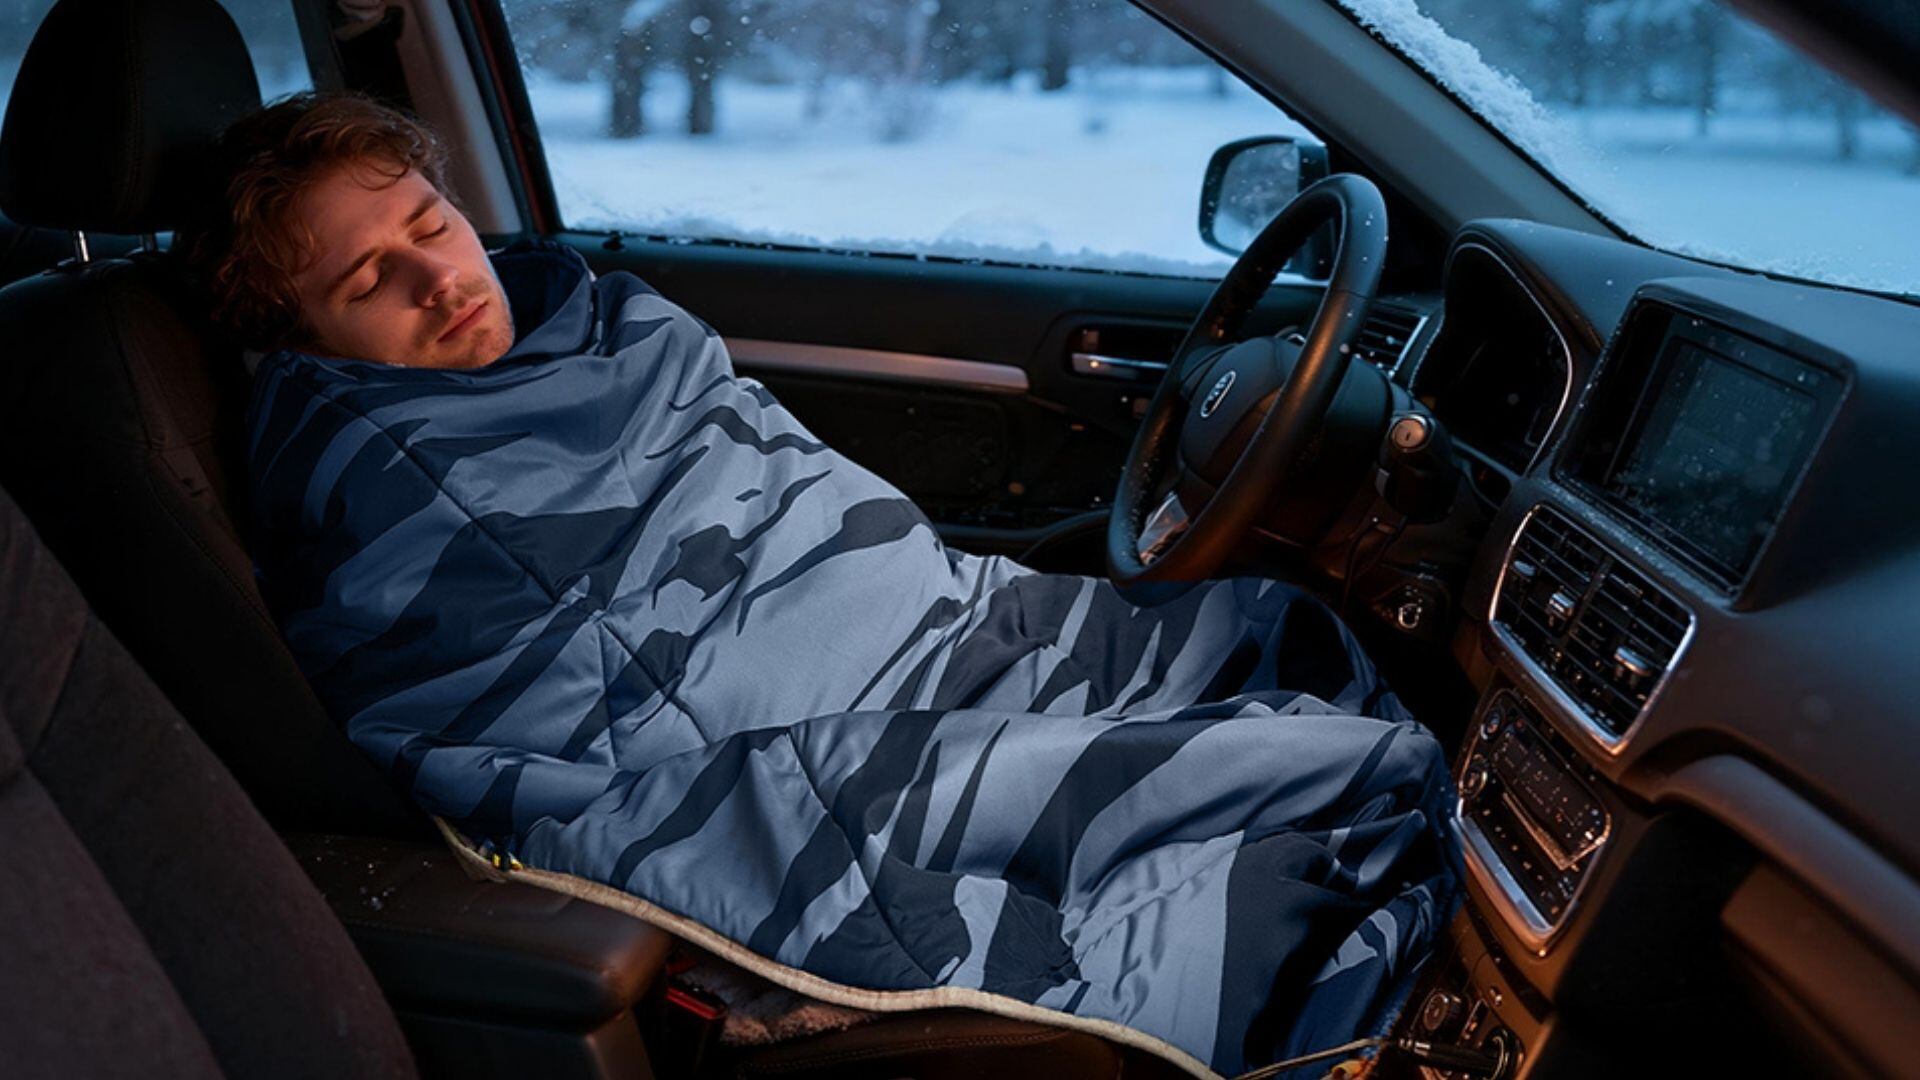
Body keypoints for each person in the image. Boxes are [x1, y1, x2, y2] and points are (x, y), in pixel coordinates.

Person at [180, 92, 1458, 1077]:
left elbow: (812, 525)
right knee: (1337, 785)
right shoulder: (385, 485)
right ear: (298, 344)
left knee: (1265, 645)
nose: (441, 277)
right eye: (368, 282)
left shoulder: (608, 328)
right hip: (804, 756)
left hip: (942, 636)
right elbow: (590, 723)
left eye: (431, 225)